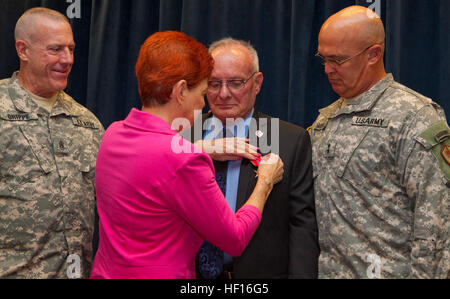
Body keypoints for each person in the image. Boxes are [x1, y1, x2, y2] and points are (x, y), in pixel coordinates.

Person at [89, 31, 284, 279]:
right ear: (181, 91)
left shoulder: (113, 135)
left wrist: (201, 148)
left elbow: (151, 161)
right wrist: (265, 181)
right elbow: (234, 238)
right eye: (203, 92)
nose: (204, 104)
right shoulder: (185, 160)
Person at [309, 5, 449, 279]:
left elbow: (439, 226)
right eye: (323, 58)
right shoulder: (326, 120)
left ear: (374, 54)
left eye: (338, 60)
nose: (327, 69)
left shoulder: (415, 117)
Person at [189, 38, 319, 279]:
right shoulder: (183, 137)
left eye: (236, 83)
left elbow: (302, 226)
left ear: (257, 83)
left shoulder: (288, 140)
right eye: (214, 83)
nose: (224, 94)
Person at [0, 8, 104, 279]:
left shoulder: (87, 122)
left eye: (70, 49)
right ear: (23, 50)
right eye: (55, 49)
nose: (67, 59)